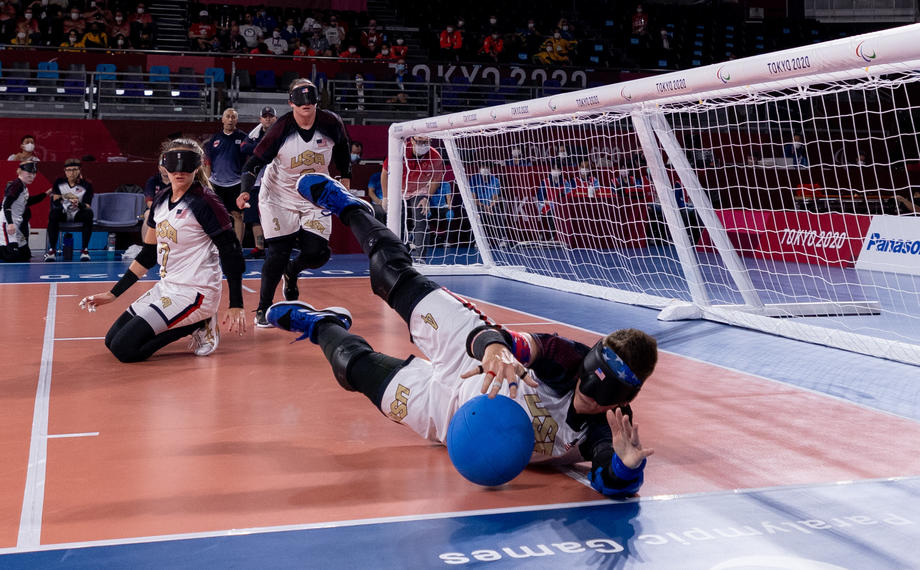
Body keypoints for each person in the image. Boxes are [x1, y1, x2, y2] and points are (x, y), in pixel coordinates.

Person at [266, 174, 658, 497]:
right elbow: (507, 341)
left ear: (622, 399)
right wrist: (498, 351)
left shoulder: (604, 427)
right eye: (591, 376)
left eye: (603, 393)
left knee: (352, 369)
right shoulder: (567, 358)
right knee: (391, 275)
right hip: (475, 357)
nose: (589, 391)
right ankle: (351, 207)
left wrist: (626, 470)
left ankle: (321, 324)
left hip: (452, 415)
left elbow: (608, 477)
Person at [78, 139, 247, 362]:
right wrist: (113, 294)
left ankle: (199, 323)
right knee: (112, 340)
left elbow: (231, 250)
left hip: (196, 292)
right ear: (163, 166)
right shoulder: (160, 200)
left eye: (187, 164)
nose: (180, 171)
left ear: (197, 166)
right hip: (167, 288)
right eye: (174, 164)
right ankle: (192, 322)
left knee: (125, 350)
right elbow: (148, 255)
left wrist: (236, 303)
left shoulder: (205, 201)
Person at [235, 79, 352, 327]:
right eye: (301, 103)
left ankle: (293, 270)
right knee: (277, 252)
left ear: (317, 103)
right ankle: (263, 308)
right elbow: (253, 163)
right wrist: (245, 191)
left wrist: (345, 176)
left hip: (315, 194)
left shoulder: (330, 123)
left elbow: (342, 148)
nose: (306, 107)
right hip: (279, 195)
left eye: (311, 102)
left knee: (319, 253)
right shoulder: (281, 128)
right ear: (291, 104)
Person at [381, 136, 444, 260]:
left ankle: (421, 257)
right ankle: (398, 253)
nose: (423, 145)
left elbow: (437, 178)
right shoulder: (400, 151)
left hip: (419, 189)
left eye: (426, 142)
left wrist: (427, 197)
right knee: (396, 221)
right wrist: (385, 196)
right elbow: (384, 173)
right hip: (398, 189)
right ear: (412, 141)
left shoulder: (435, 156)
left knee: (421, 219)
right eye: (420, 141)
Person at [240, 105, 279, 259]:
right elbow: (243, 148)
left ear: (275, 118)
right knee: (254, 217)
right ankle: (259, 247)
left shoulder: (281, 132)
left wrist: (259, 149)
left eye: (271, 116)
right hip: (256, 181)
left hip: (276, 181)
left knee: (275, 215)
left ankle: (278, 247)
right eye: (265, 116)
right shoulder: (255, 133)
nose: (268, 119)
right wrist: (262, 147)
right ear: (260, 119)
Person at [205, 108, 249, 243]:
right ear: (222, 119)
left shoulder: (243, 138)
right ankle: (214, 246)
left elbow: (249, 161)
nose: (230, 119)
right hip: (216, 183)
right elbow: (208, 163)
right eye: (228, 117)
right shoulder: (214, 139)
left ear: (237, 120)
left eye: (233, 117)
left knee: (238, 215)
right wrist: (207, 183)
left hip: (236, 183)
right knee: (214, 216)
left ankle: (238, 248)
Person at [45, 158, 94, 261]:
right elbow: (55, 200)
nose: (71, 172)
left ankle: (84, 250)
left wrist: (78, 203)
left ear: (79, 170)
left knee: (89, 214)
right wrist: (65, 197)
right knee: (53, 214)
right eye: (69, 170)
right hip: (63, 211)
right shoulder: (59, 182)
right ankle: (52, 250)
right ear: (65, 171)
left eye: (74, 169)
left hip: (78, 213)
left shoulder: (87, 185)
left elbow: (88, 205)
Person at [3, 161, 47, 262]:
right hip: (8, 223)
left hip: (17, 223)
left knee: (25, 255)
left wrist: (46, 194)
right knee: (12, 257)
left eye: (34, 174)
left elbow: (28, 201)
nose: (32, 176)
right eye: (29, 173)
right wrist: (10, 223)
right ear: (20, 172)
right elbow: (6, 204)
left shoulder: (23, 186)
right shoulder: (16, 185)